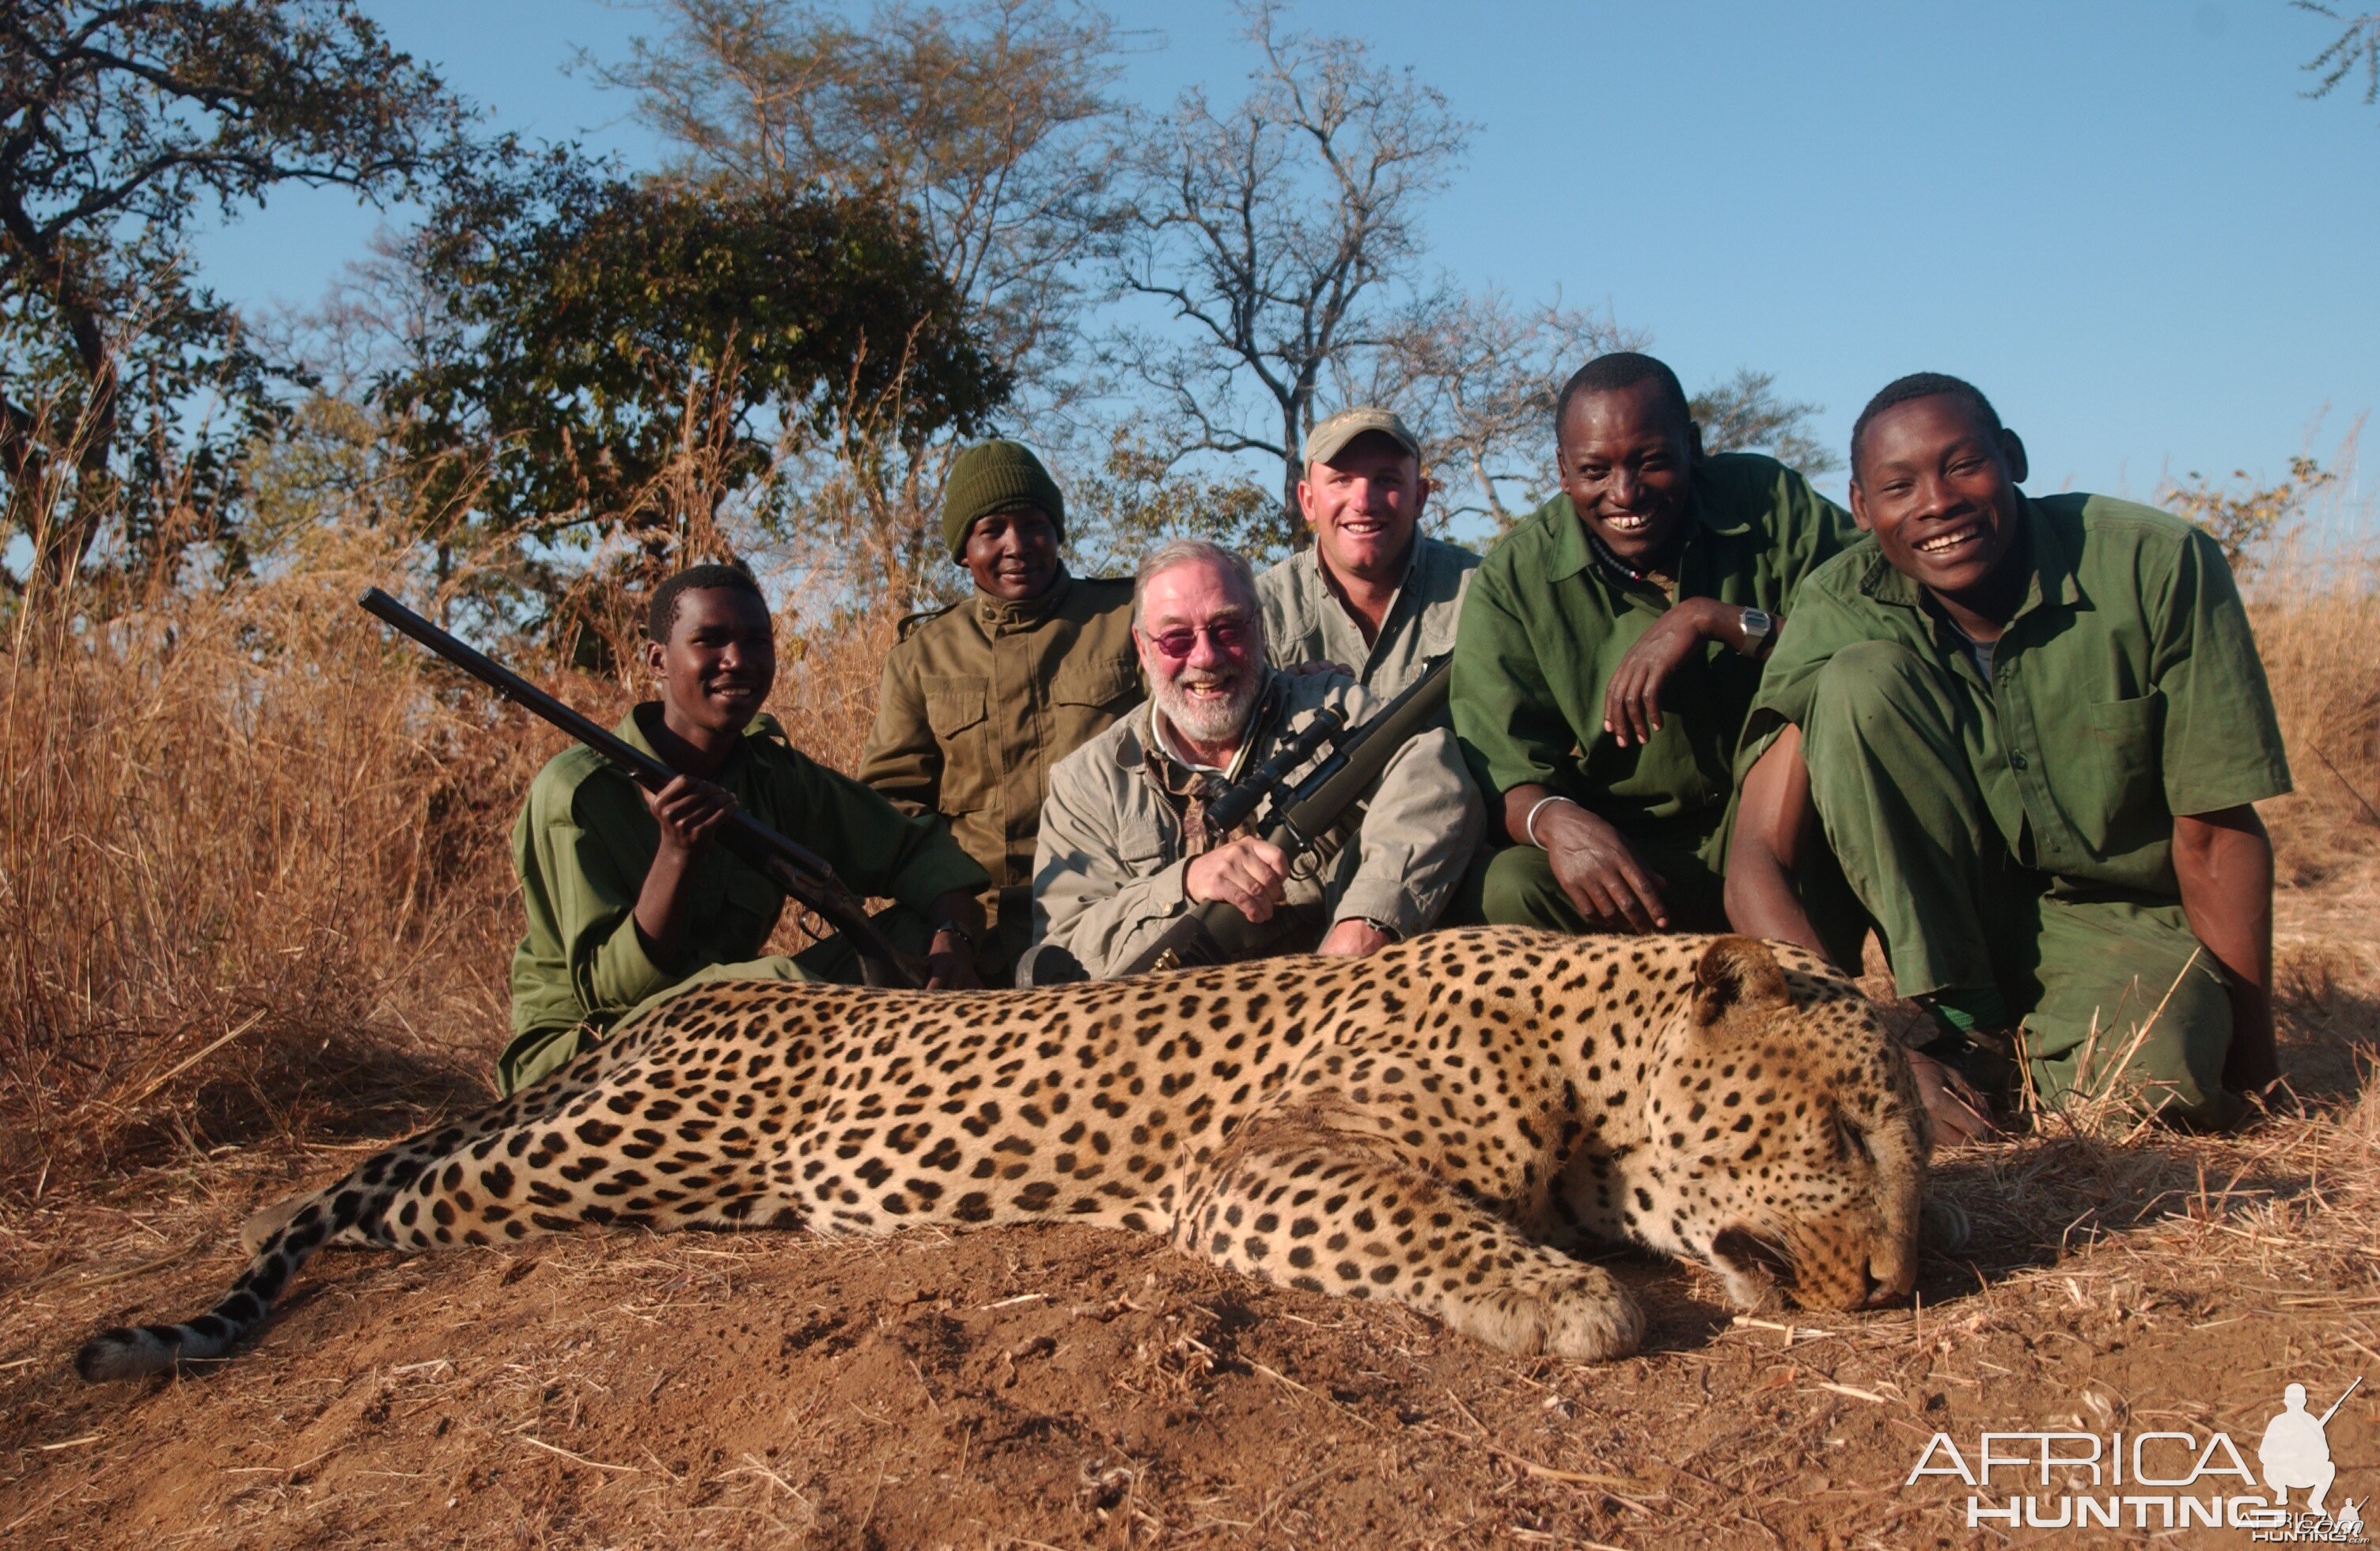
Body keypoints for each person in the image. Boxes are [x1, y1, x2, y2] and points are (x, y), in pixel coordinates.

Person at [1726, 373, 2290, 1135]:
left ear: (2013, 459)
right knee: (1859, 678)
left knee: (2148, 1098)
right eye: (1900, 485)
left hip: (2122, 918)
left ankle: (2028, 1066)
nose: (1937, 503)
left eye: (1963, 465)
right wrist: (1862, 1052)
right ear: (1862, 508)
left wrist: (2258, 1069)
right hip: (1956, 938)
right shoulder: (1841, 603)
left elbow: (2218, 835)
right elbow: (1756, 852)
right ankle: (1966, 1028)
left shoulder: (2157, 565)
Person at [501, 563, 991, 1094]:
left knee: (912, 936)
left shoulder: (769, 772)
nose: (738, 661)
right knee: (783, 993)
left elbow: (918, 852)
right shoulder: (577, 792)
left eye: (757, 642)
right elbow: (613, 994)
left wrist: (954, 942)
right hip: (586, 1053)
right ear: (657, 660)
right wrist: (676, 855)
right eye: (710, 641)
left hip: (725, 1023)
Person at [1451, 351, 1857, 936]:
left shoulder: (1768, 501)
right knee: (1508, 888)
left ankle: (1951, 1009)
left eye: (1652, 462)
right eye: (1595, 472)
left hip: (1793, 829)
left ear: (1692, 446)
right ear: (1563, 471)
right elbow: (1503, 767)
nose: (1626, 493)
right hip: (1642, 869)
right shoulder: (1514, 579)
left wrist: (1712, 619)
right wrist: (1555, 820)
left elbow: (1869, 631)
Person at [1029, 539, 1482, 980]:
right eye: (1176, 639)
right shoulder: (1083, 783)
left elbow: (1431, 776)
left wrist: (1365, 927)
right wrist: (1185, 882)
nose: (1205, 656)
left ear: (1260, 627)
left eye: (1228, 628)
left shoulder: (1332, 706)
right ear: (1143, 648)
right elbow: (1063, 947)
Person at [858, 440, 1141, 980]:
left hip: (1107, 904)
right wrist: (950, 915)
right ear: (963, 549)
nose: (1018, 546)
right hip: (972, 922)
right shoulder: (923, 655)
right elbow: (890, 806)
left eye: (1035, 524)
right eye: (992, 531)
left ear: (1057, 531)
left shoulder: (1127, 618)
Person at [1256, 405, 1477, 698]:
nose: (1363, 502)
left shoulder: (1482, 593)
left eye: (1386, 480)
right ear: (1308, 501)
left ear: (1420, 498)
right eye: (1342, 480)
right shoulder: (1259, 611)